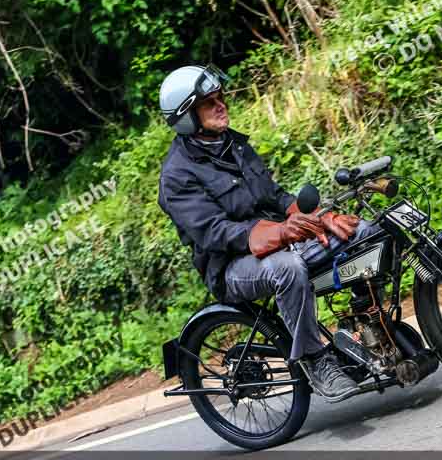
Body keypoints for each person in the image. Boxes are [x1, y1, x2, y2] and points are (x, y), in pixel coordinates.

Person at [157, 64, 380, 398]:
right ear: (186, 116)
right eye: (209, 102)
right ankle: (315, 360)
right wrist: (282, 233)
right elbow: (216, 233)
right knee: (288, 268)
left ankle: (370, 325)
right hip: (232, 267)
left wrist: (321, 217)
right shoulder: (176, 175)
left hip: (277, 241)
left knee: (361, 231)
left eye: (221, 98)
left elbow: (275, 197)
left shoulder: (234, 145)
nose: (221, 105)